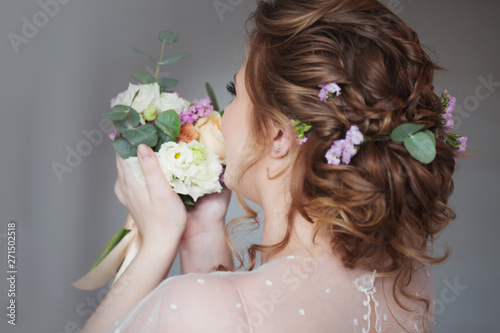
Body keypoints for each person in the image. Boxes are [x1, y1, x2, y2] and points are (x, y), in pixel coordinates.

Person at [82, 0, 461, 332]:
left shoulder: (194, 307)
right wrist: (200, 235)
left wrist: (158, 242)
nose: (222, 114)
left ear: (279, 136)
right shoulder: (409, 286)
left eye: (235, 93)